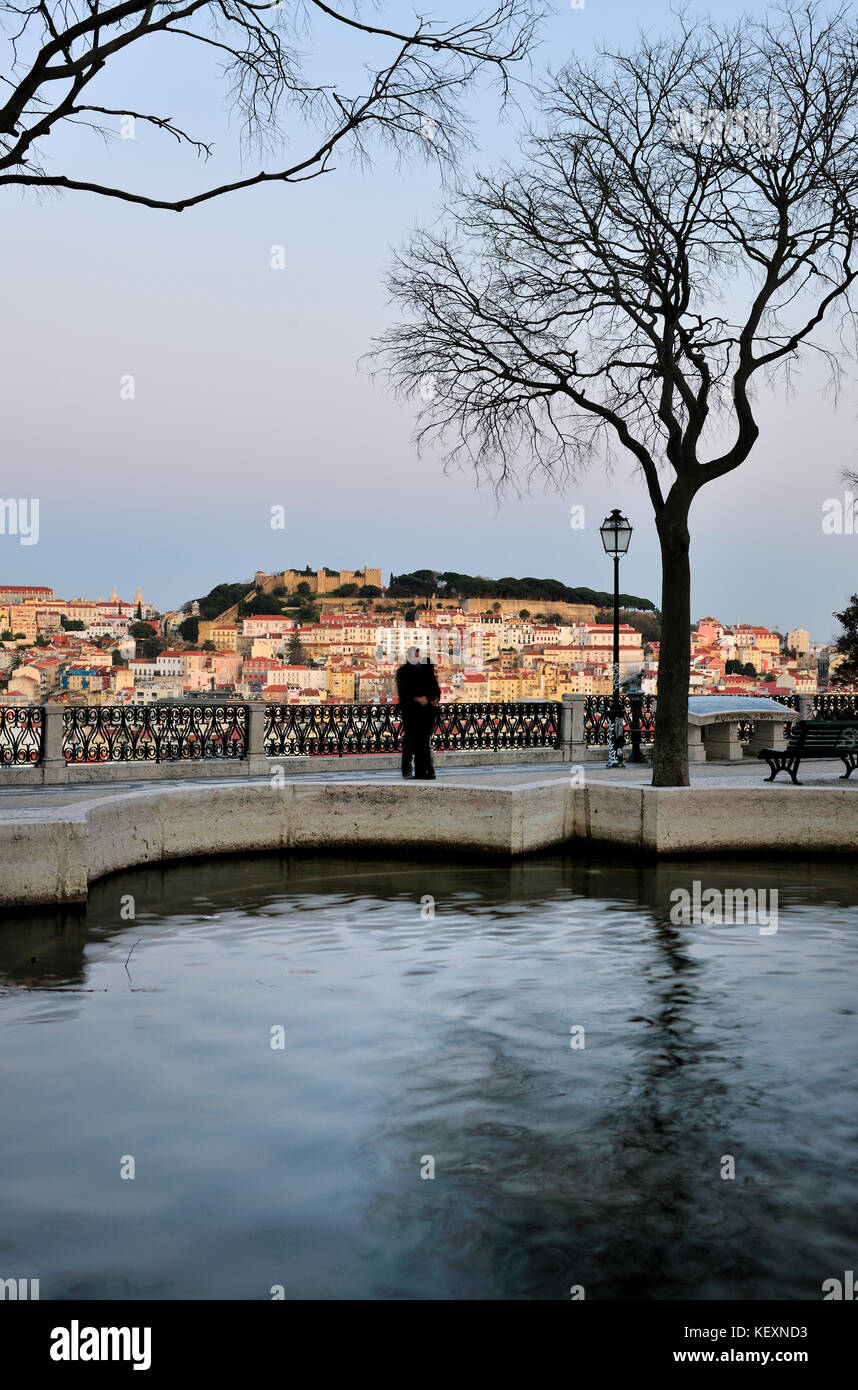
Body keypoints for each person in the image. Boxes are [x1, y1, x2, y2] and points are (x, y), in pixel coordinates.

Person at [396, 646, 441, 779]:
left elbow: (434, 688)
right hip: (411, 712)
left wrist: (435, 699)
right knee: (410, 742)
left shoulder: (424, 671)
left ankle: (424, 771)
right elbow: (403, 693)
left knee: (423, 743)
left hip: (425, 712)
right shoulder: (403, 672)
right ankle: (408, 771)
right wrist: (417, 699)